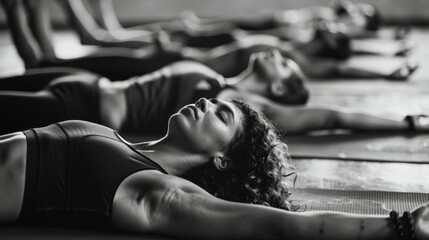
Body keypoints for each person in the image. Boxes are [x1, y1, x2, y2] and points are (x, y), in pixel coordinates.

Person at [0, 99, 428, 239]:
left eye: (220, 117)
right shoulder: (123, 144)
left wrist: (401, 226)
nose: (206, 104)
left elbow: (285, 227)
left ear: (221, 158)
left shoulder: (154, 192)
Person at [1, 49, 428, 136]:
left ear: (278, 86)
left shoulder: (241, 106)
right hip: (82, 85)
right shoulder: (217, 74)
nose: (277, 53)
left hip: (78, 107)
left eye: (284, 63)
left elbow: (332, 118)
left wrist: (407, 123)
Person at [1, 0, 417, 80]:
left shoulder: (296, 58)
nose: (334, 25)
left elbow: (342, 65)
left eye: (337, 34)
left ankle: (15, 9)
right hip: (172, 51)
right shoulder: (294, 36)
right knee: (91, 38)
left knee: (53, 59)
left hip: (159, 65)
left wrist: (385, 63)